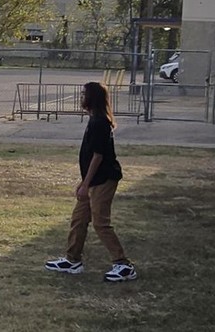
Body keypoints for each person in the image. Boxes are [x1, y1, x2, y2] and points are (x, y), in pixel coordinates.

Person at [45, 82, 136, 282]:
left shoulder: (99, 122)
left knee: (100, 223)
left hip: (103, 179)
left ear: (92, 97)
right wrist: (83, 182)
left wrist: (86, 184)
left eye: (84, 94)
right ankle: (72, 260)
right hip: (92, 180)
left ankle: (123, 264)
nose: (81, 97)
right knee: (79, 219)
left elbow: (98, 156)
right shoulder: (94, 119)